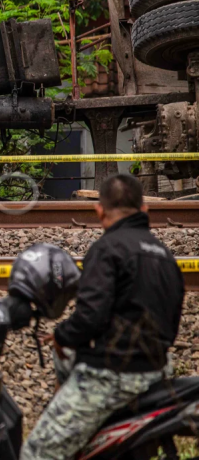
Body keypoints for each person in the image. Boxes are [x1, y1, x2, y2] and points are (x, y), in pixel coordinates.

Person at [22, 174, 185, 460]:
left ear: (99, 211)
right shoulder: (164, 254)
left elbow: (89, 318)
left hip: (113, 374)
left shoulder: (106, 250)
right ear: (144, 210)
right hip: (158, 369)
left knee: (36, 453)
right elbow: (172, 322)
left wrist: (62, 335)